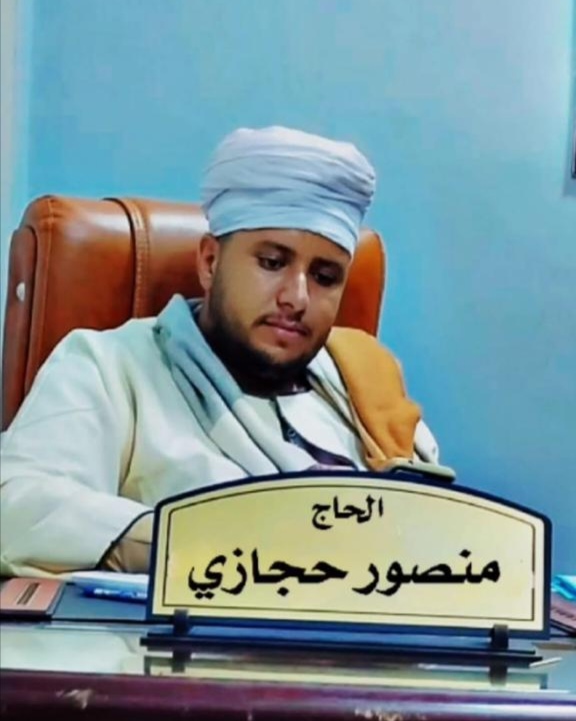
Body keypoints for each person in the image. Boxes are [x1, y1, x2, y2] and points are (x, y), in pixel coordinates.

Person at [0, 126, 439, 577]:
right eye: (272, 263)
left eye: (324, 277)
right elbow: (17, 507)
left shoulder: (361, 384)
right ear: (210, 262)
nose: (297, 297)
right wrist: (207, 547)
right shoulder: (109, 367)